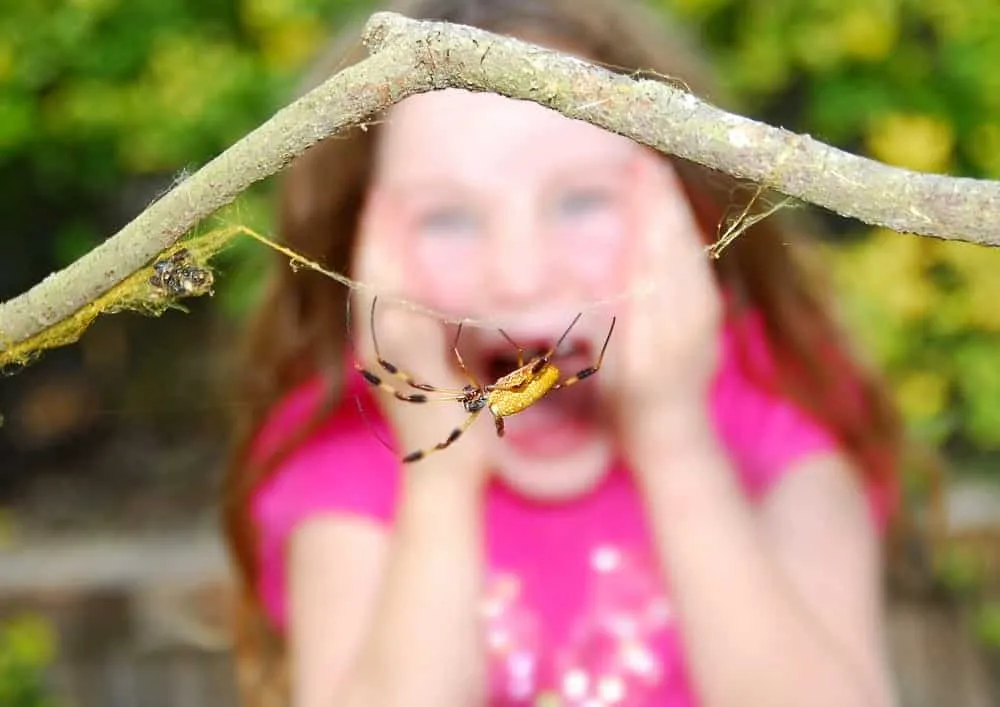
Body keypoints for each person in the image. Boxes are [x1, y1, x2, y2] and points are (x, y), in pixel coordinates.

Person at [221, 1, 907, 706]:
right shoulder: (349, 449)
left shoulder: (783, 402)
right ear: (358, 247)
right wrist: (440, 482)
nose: (519, 275)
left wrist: (675, 441)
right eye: (447, 215)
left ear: (691, 211)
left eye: (582, 202)